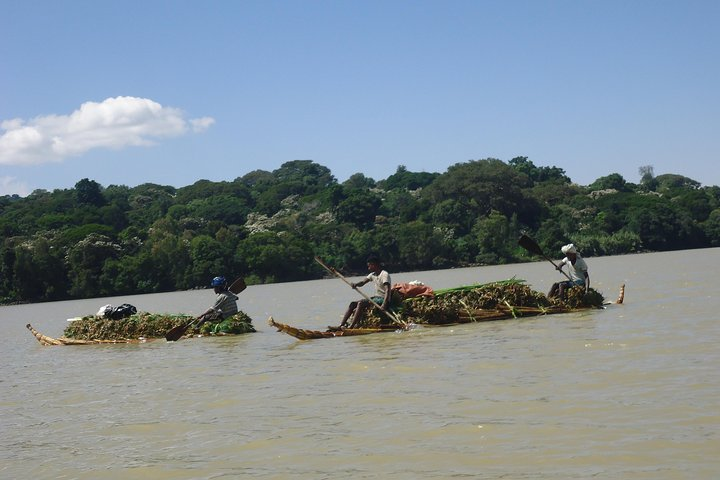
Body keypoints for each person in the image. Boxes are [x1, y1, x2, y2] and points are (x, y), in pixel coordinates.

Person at [340, 256, 399, 328]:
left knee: (361, 303)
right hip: (376, 298)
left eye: (369, 266)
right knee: (352, 304)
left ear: (374, 265)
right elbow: (362, 282)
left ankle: (351, 326)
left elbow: (388, 289)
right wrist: (355, 284)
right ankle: (341, 325)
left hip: (382, 298)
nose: (368, 268)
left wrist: (384, 303)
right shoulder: (372, 275)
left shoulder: (384, 274)